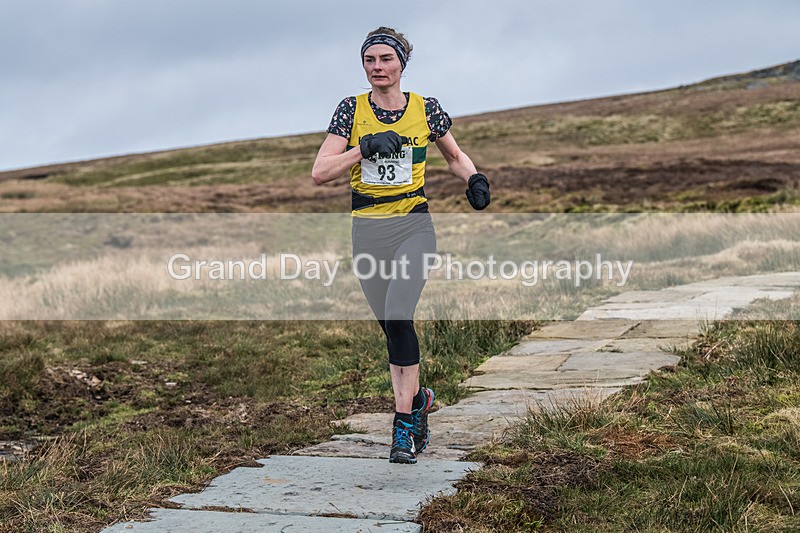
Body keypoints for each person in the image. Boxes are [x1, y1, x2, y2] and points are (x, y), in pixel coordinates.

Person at [311, 27, 491, 464]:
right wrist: (362, 149)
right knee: (393, 330)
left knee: (398, 315)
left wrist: (474, 178)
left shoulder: (425, 109)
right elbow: (320, 171)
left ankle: (402, 429)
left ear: (401, 65)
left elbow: (453, 155)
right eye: (369, 60)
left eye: (385, 60)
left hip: (413, 225)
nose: (377, 68)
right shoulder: (350, 111)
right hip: (368, 229)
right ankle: (420, 400)